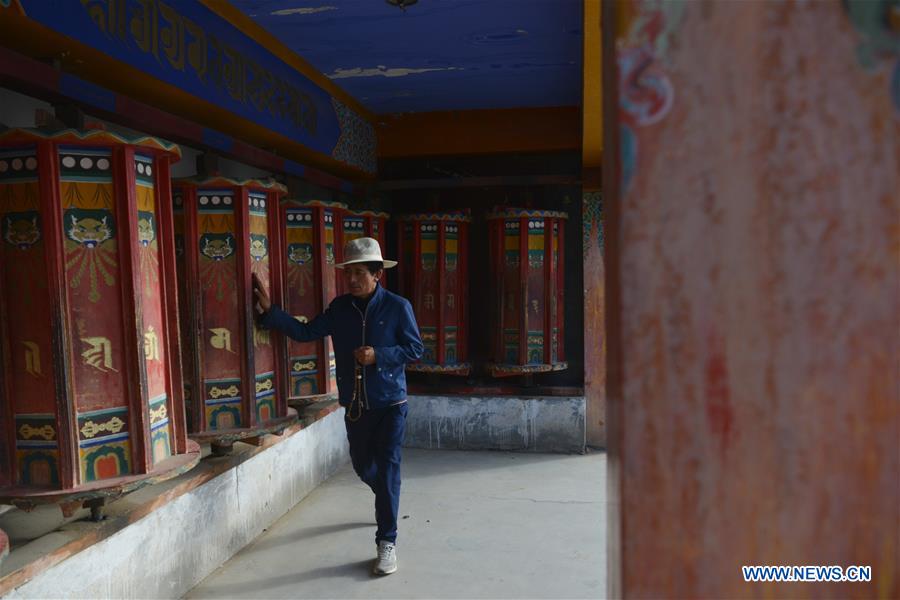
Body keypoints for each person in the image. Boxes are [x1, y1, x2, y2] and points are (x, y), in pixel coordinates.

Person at [253, 236, 423, 576]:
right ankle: (385, 495)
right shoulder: (340, 308)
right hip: (357, 406)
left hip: (391, 403)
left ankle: (386, 540)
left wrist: (380, 356)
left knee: (389, 467)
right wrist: (271, 313)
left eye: (360, 273)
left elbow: (415, 349)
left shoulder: (397, 307)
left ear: (377, 274)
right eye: (349, 273)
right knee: (363, 466)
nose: (353, 280)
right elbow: (306, 333)